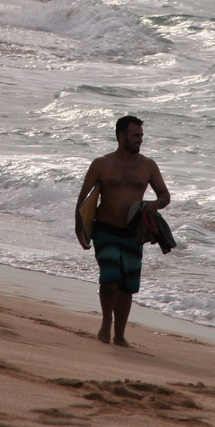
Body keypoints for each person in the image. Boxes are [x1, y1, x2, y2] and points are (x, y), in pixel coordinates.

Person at [75, 116, 170, 347]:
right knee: (109, 278)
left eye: (141, 136)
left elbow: (165, 196)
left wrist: (154, 205)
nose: (140, 140)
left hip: (132, 231)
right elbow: (84, 198)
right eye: (136, 136)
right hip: (104, 229)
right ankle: (106, 323)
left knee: (127, 284)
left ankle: (119, 334)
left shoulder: (148, 165)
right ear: (121, 136)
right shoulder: (101, 164)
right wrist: (80, 228)